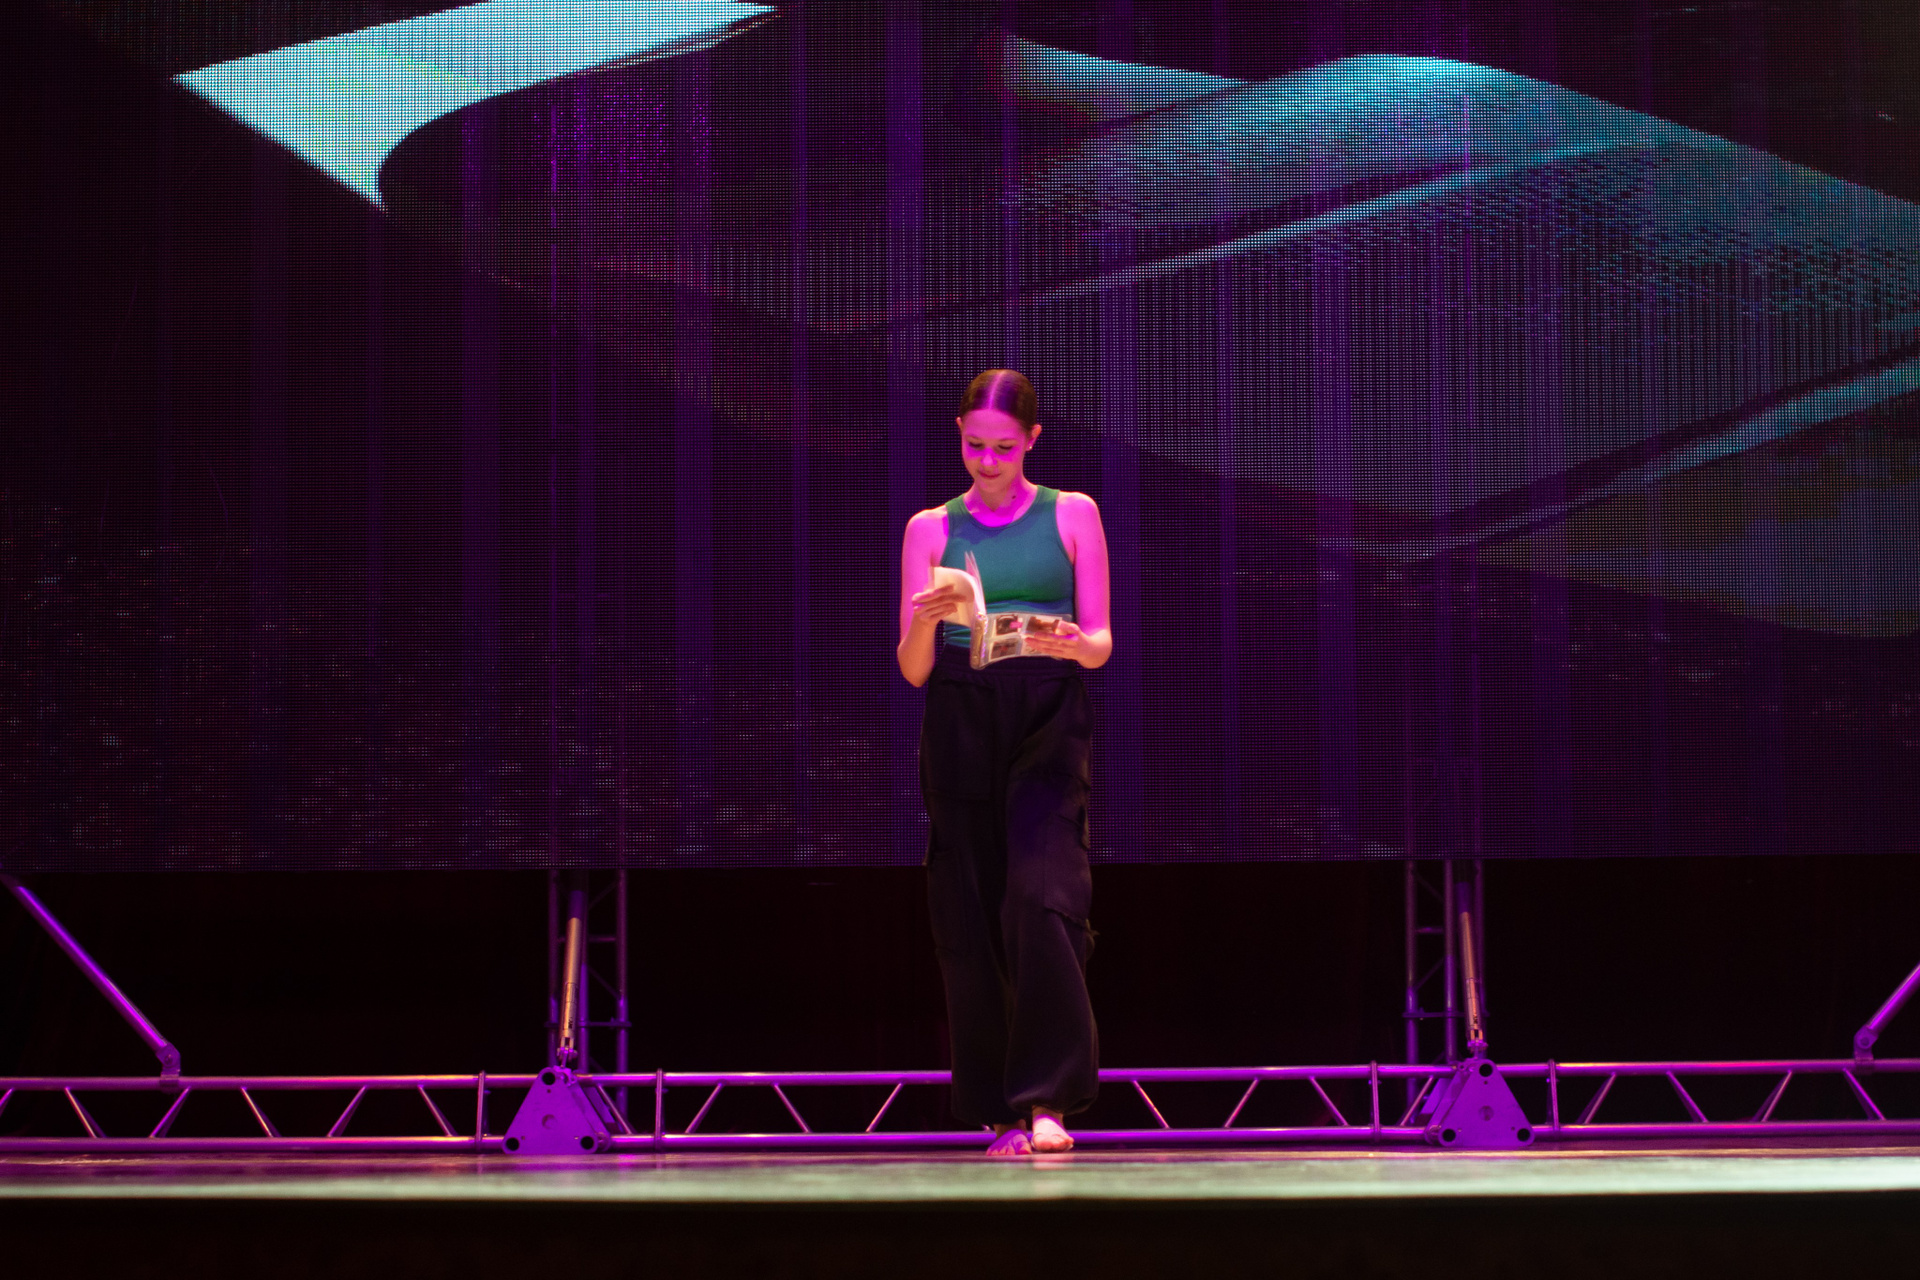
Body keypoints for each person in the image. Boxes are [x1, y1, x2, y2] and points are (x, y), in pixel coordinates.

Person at [896, 369, 1113, 1156]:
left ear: (1032, 441)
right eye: (975, 446)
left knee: (1041, 895)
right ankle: (998, 1114)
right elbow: (913, 668)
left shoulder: (1073, 513)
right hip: (961, 710)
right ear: (959, 434)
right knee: (968, 905)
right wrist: (930, 618)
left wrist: (1066, 641)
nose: (988, 463)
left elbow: (1101, 643)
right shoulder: (930, 527)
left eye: (1004, 449)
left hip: (1046, 710)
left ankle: (1047, 1098)